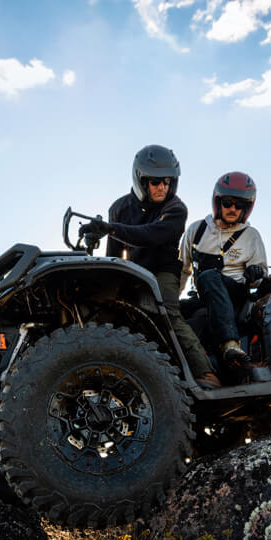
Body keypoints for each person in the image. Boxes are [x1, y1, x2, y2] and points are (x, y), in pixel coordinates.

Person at [79, 144, 220, 389]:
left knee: (167, 313)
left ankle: (204, 372)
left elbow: (152, 234)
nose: (162, 187)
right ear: (141, 181)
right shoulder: (119, 208)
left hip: (162, 271)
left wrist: (111, 229)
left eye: (167, 181)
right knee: (106, 311)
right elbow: (113, 254)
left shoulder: (176, 208)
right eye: (155, 182)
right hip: (131, 271)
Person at [179, 171, 267, 377]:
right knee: (178, 319)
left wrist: (255, 274)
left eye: (239, 205)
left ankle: (230, 344)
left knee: (209, 276)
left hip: (235, 295)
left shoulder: (251, 236)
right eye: (227, 203)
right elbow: (183, 270)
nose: (232, 209)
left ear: (247, 208)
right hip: (203, 297)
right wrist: (170, 302)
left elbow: (262, 277)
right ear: (218, 202)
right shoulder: (197, 230)